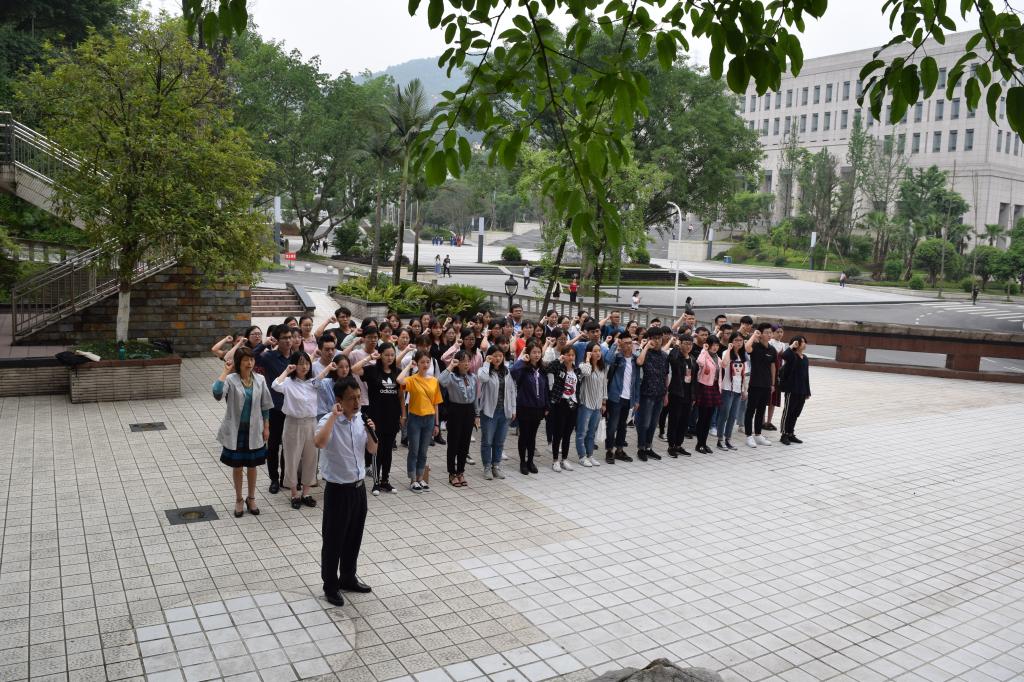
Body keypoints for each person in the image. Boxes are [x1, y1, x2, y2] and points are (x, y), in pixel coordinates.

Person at [315, 377, 377, 606]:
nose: (357, 403)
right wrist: (333, 416)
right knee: (334, 541)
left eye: (359, 397)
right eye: (352, 399)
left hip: (358, 489)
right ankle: (330, 586)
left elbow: (373, 449)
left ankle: (348, 578)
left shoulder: (362, 419)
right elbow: (319, 443)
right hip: (338, 491)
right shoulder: (327, 420)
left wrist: (371, 432)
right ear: (339, 400)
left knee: (354, 537)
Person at [214, 347, 274, 517]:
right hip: (237, 430)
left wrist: (267, 427)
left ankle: (251, 498)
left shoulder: (260, 379)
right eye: (245, 360)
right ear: (238, 363)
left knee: (253, 466)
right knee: (238, 466)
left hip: (255, 429)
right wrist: (225, 371)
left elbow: (265, 405)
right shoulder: (231, 379)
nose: (249, 363)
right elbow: (217, 393)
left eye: (251, 359)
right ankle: (239, 499)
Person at [272, 352, 334, 510]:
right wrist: (287, 370)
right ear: (294, 365)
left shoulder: (313, 383)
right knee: (292, 459)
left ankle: (306, 493)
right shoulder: (288, 382)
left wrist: (328, 367)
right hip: (293, 423)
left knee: (311, 458)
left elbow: (321, 376)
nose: (304, 366)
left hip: (311, 424)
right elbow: (275, 385)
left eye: (307, 363)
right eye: (300, 363)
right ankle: (294, 493)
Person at [351, 344, 401, 495]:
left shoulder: (397, 372)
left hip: (392, 416)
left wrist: (402, 415)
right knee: (377, 449)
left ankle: (385, 480)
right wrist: (369, 358)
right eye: (386, 355)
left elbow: (400, 396)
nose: (389, 358)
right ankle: (376, 482)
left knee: (388, 451)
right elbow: (354, 369)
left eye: (392, 355)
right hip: (376, 416)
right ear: (380, 355)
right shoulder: (373, 370)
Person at [256, 325, 295, 493]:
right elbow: (250, 357)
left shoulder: (296, 357)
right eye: (284, 338)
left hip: (292, 409)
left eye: (290, 337)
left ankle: (286, 477)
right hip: (275, 408)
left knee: (289, 446)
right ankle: (274, 479)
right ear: (277, 340)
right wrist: (263, 344)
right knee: (273, 446)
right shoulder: (269, 357)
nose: (288, 340)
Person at [398, 350, 443, 492]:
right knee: (414, 450)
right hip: (415, 419)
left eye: (428, 362)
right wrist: (408, 367)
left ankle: (420, 477)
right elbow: (399, 380)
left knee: (423, 451)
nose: (425, 364)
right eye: (422, 362)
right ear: (416, 363)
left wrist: (437, 424)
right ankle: (412, 480)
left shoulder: (434, 381)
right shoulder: (412, 380)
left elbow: (436, 404)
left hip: (429, 419)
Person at [439, 351, 478, 487]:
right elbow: (441, 381)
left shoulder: (473, 377)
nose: (466, 364)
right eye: (462, 361)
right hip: (455, 410)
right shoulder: (451, 377)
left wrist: (477, 415)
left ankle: (461, 471)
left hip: (469, 411)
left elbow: (475, 398)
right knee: (453, 443)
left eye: (468, 361)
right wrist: (451, 366)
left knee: (465, 443)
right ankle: (452, 473)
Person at [477, 346, 515, 480]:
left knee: (499, 441)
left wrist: (513, 409)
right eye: (495, 356)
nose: (498, 358)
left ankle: (496, 466)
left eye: (500, 356)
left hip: (504, 412)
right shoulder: (484, 370)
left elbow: (512, 390)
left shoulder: (507, 371)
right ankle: (487, 467)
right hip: (489, 412)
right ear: (489, 356)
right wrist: (486, 363)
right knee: (487, 441)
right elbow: (482, 378)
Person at [511, 340, 548, 474]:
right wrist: (522, 360)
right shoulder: (523, 368)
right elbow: (513, 372)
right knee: (524, 436)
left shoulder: (542, 369)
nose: (537, 355)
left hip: (538, 408)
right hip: (524, 407)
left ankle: (530, 461)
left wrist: (546, 406)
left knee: (532, 436)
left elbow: (545, 389)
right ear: (528, 354)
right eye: (534, 352)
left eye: (539, 352)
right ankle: (522, 462)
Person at [634, 327, 669, 461]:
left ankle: (649, 447)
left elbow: (666, 375)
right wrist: (647, 347)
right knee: (644, 423)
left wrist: (666, 394)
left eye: (659, 338)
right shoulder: (644, 353)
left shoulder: (664, 356)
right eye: (654, 338)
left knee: (654, 423)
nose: (657, 341)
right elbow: (639, 362)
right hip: (646, 394)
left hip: (660, 394)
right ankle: (641, 448)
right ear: (649, 339)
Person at [744, 323, 778, 448]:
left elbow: (773, 367)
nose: (769, 335)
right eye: (766, 332)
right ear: (761, 334)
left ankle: (758, 435)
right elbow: (747, 347)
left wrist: (772, 384)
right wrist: (754, 335)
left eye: (770, 332)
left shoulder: (772, 349)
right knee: (750, 411)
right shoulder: (755, 346)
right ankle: (749, 436)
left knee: (761, 411)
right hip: (755, 384)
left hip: (766, 385)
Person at [545, 345, 578, 472]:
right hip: (560, 403)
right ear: (563, 355)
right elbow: (549, 368)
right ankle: (555, 460)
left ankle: (564, 459)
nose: (570, 357)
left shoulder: (576, 370)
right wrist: (559, 359)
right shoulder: (559, 368)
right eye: (568, 355)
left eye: (572, 355)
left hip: (573, 403)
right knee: (558, 433)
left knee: (568, 434)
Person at [575, 341, 607, 467]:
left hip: (597, 405)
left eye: (599, 351)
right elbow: (586, 373)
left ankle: (590, 455)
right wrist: (588, 359)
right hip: (586, 403)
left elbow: (604, 385)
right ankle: (582, 456)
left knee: (592, 432)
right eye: (595, 351)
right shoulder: (583, 365)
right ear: (589, 352)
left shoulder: (602, 367)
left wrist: (604, 402)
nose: (598, 353)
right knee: (582, 432)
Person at [666, 334, 696, 457]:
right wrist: (676, 346)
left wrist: (694, 396)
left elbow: (694, 378)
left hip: (688, 394)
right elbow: (671, 358)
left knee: (684, 421)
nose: (688, 346)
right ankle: (671, 445)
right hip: (677, 393)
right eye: (686, 343)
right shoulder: (676, 356)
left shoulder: (692, 359)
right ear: (681, 344)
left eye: (690, 344)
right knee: (674, 420)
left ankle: (679, 444)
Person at [716, 332, 747, 452]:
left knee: (733, 416)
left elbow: (744, 374)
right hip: (727, 388)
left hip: (738, 389)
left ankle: (728, 439)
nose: (739, 343)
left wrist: (744, 390)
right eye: (736, 340)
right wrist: (729, 349)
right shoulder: (726, 352)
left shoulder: (742, 355)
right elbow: (724, 364)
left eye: (741, 340)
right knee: (724, 414)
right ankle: (720, 439)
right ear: (731, 342)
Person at [694, 337, 723, 454]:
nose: (715, 347)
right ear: (708, 345)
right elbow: (700, 362)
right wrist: (704, 350)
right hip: (704, 387)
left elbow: (723, 367)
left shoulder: (718, 358)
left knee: (709, 417)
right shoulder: (704, 355)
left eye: (717, 345)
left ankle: (704, 443)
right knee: (702, 417)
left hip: (714, 387)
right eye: (713, 345)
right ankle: (699, 444)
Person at [779, 336, 810, 445]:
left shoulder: (805, 358)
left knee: (796, 413)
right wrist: (792, 346)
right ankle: (784, 434)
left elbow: (806, 376)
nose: (804, 344)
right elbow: (784, 355)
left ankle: (790, 433)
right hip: (791, 390)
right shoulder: (792, 356)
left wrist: (807, 391)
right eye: (802, 342)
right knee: (788, 412)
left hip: (802, 390)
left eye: (805, 342)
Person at [764, 324, 787, 432]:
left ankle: (769, 421)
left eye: (781, 332)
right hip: (768, 374)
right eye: (777, 332)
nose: (780, 334)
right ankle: (762, 421)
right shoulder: (769, 343)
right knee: (764, 400)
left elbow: (784, 361)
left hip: (778, 375)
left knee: (773, 400)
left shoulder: (783, 345)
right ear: (772, 333)